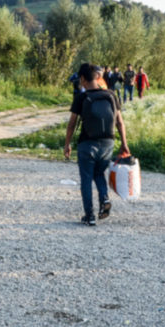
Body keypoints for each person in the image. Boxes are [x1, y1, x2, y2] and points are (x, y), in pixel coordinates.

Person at [63, 63, 130, 226]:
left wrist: (67, 145)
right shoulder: (111, 95)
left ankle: (90, 216)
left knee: (86, 178)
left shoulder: (81, 97)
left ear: (83, 79)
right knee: (99, 174)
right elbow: (120, 122)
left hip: (87, 144)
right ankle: (104, 199)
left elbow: (72, 124)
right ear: (98, 77)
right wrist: (124, 145)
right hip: (108, 142)